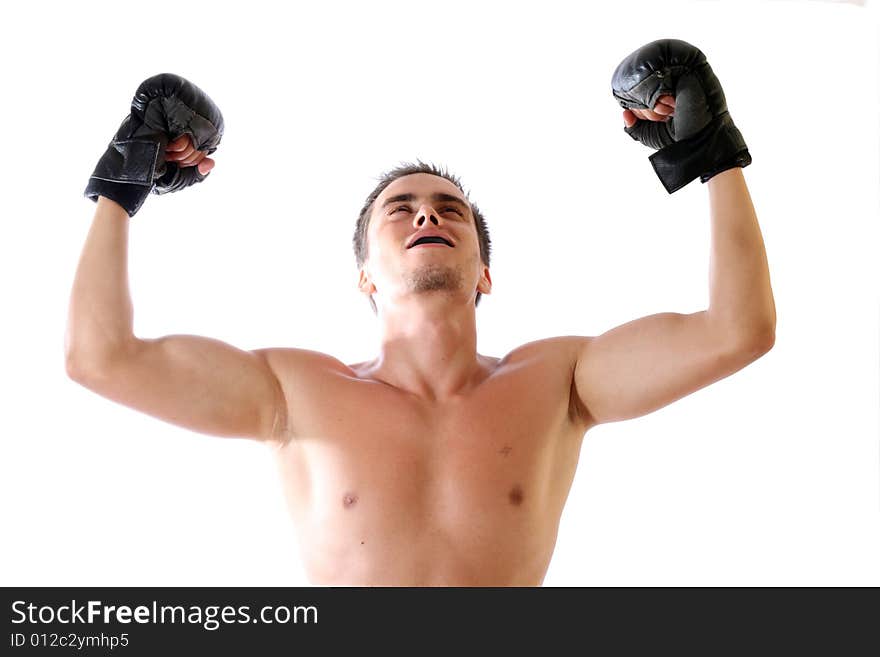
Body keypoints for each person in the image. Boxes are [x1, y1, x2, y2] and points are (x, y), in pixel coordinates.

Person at [65, 41, 776, 586]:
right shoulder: (293, 391)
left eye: (450, 210)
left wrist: (714, 158)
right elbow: (101, 358)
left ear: (485, 274)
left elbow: (736, 329)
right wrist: (122, 184)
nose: (427, 212)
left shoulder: (561, 380)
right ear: (365, 276)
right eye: (398, 210)